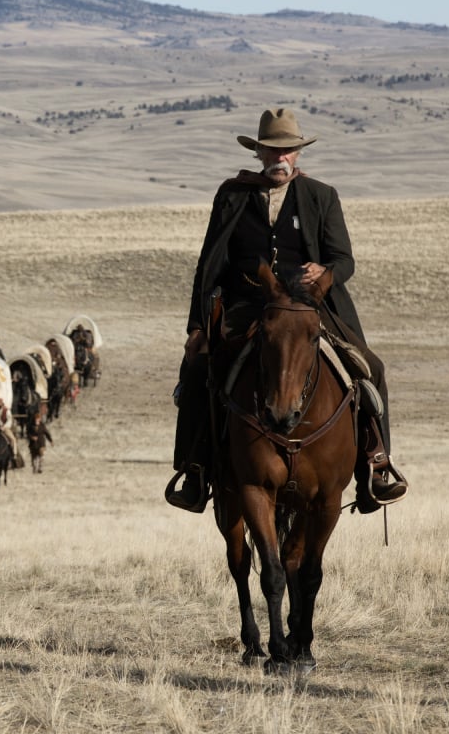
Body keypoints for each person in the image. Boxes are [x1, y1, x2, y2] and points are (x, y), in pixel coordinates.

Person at [169, 107, 408, 515]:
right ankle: (195, 469)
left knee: (372, 368)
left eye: (288, 150)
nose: (280, 158)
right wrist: (197, 327)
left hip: (308, 308)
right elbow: (208, 265)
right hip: (245, 308)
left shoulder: (321, 196)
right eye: (272, 150)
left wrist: (327, 272)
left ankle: (376, 464)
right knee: (197, 369)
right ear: (259, 153)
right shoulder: (232, 195)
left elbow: (344, 260)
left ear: (297, 154)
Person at [0, 396, 24, 468]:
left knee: (12, 439)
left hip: (3, 428)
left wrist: (4, 427)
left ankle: (14, 454)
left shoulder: (6, 410)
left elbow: (9, 420)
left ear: (1, 403)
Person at [26, 409, 53, 474]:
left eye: (38, 419)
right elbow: (28, 434)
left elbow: (47, 433)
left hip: (41, 443)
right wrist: (32, 437)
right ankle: (34, 468)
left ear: (40, 420)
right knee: (34, 457)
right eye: (36, 419)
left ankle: (40, 468)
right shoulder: (31, 426)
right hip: (33, 444)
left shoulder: (42, 426)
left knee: (41, 456)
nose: (37, 421)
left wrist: (51, 441)